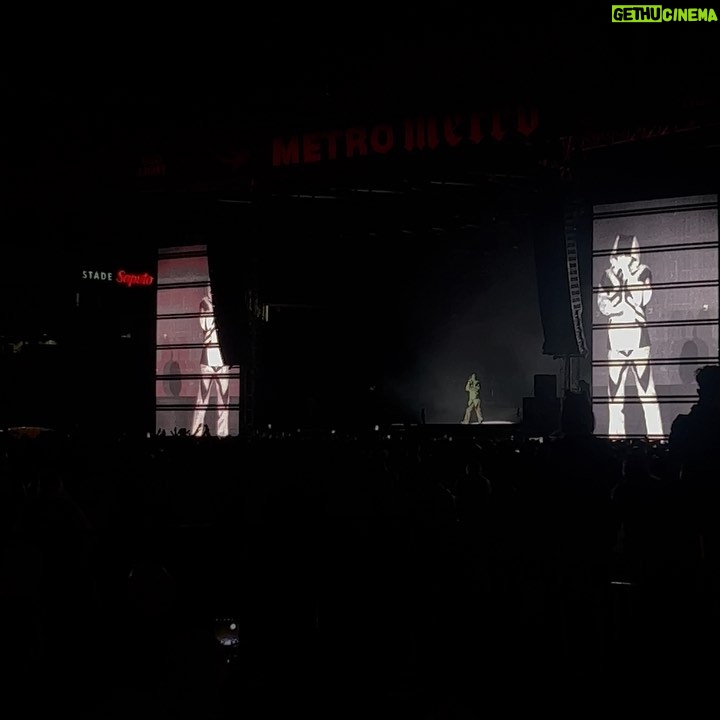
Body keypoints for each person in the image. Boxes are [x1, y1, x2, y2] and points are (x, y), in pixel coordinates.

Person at [597, 234, 663, 438]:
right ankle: (615, 438)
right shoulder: (607, 275)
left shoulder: (643, 271)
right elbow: (603, 305)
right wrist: (618, 303)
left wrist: (628, 277)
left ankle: (656, 438)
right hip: (615, 342)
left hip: (639, 341)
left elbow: (642, 297)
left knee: (647, 394)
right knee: (615, 397)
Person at [191, 287, 230, 437]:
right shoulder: (205, 303)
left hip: (222, 361)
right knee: (202, 400)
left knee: (224, 402)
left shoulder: (225, 305)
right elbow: (205, 325)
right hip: (207, 360)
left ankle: (223, 434)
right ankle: (196, 433)